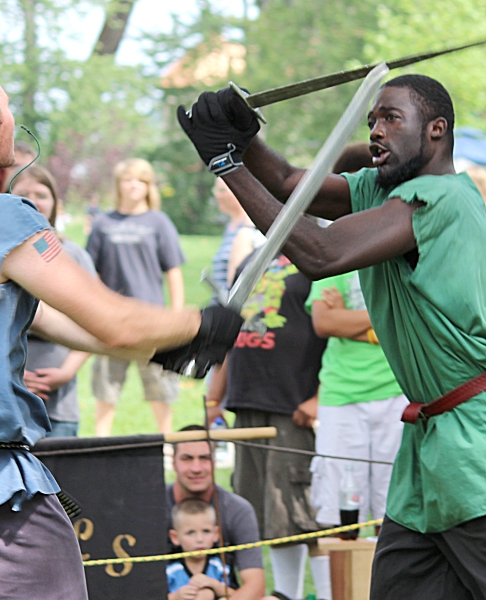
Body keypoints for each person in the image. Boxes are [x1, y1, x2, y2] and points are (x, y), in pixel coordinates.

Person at [0, 54, 243, 600]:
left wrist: (160, 346)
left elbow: (51, 319)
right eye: (6, 108)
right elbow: (114, 320)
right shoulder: (5, 219)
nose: (10, 116)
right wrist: (202, 321)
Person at [178, 74, 486, 598]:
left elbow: (322, 255)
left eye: (392, 118)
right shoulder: (386, 192)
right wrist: (246, 138)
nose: (376, 131)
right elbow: (290, 184)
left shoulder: (443, 200)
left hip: (474, 447)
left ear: (437, 130)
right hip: (428, 452)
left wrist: (227, 163)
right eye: (371, 121)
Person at [207, 254, 329, 600]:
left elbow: (333, 333)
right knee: (263, 511)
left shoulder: (317, 255)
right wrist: (215, 397)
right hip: (246, 401)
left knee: (300, 512)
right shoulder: (252, 259)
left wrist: (319, 397)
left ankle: (326, 594)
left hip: (292, 404)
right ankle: (284, 594)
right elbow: (230, 329)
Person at [306, 144, 406, 537]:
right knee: (339, 517)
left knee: (394, 517)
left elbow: (418, 317)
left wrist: (356, 322)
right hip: (342, 396)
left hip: (397, 394)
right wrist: (384, 322)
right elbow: (324, 320)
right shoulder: (337, 240)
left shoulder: (402, 236)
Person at [87, 158, 185, 436]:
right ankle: (100, 442)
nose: (134, 186)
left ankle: (166, 442)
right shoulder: (103, 223)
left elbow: (173, 271)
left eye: (141, 180)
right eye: (128, 179)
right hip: (111, 320)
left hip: (152, 320)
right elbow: (89, 271)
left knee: (161, 388)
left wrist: (175, 317)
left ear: (149, 187)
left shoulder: (158, 222)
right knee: (106, 387)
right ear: (118, 184)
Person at [12, 165, 94, 437]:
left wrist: (67, 372)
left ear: (55, 203)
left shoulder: (73, 254)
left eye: (41, 194)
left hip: (59, 403)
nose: (34, 200)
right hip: (8, 398)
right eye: (24, 193)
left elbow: (95, 322)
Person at [167, 426, 267, 600]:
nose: (196, 468)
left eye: (204, 458)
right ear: (173, 462)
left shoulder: (238, 510)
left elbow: (255, 585)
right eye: (187, 459)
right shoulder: (149, 508)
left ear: (215, 461)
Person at [167, 498, 233, 600]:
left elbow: (238, 595)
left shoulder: (220, 565)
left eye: (206, 531)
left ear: (216, 534)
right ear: (175, 537)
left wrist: (215, 585)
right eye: (191, 533)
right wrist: (175, 597)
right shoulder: (170, 569)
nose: (199, 539)